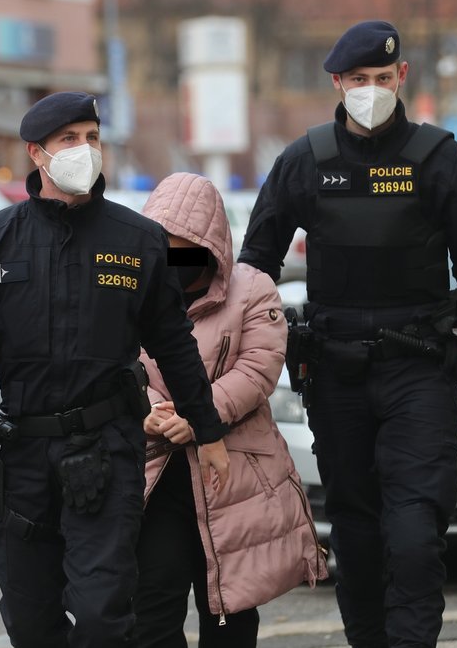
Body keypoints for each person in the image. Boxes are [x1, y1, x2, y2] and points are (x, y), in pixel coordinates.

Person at [237, 20, 457, 648]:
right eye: (358, 80)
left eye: (381, 78)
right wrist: (238, 368)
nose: (370, 89)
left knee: (414, 535)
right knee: (355, 538)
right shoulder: (304, 161)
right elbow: (253, 273)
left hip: (420, 368)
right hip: (336, 373)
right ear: (337, 82)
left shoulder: (439, 158)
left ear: (401, 77)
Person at [0, 91, 231, 648]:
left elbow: (174, 344)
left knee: (101, 616)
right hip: (23, 455)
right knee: (29, 618)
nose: (85, 150)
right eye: (69, 140)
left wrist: (207, 430)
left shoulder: (137, 241)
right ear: (36, 154)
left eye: (92, 138)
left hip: (107, 449)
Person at [132, 172, 327, 648]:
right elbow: (118, 361)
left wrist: (198, 416)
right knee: (152, 607)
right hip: (155, 471)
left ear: (211, 244)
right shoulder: (131, 290)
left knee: (228, 607)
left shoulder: (253, 289)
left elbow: (259, 369)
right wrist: (153, 410)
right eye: (163, 247)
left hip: (231, 469)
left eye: (185, 248)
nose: (173, 260)